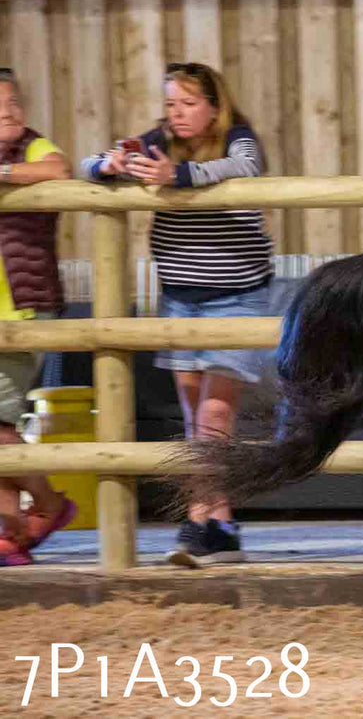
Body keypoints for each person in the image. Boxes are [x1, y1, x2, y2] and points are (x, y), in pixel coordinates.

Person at [82, 62, 273, 567]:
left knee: (214, 413)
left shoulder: (239, 137)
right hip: (180, 297)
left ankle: (195, 521)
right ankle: (222, 525)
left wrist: (179, 176)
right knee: (195, 417)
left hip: (237, 293)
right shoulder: (158, 141)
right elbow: (88, 165)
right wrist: (112, 164)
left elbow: (246, 169)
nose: (178, 114)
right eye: (171, 104)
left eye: (189, 104)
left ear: (214, 105)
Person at [0, 67, 77, 567]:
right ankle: (10, 535)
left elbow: (59, 170)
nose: (9, 112)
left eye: (13, 102)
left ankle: (47, 505)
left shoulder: (31, 147)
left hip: (22, 310)